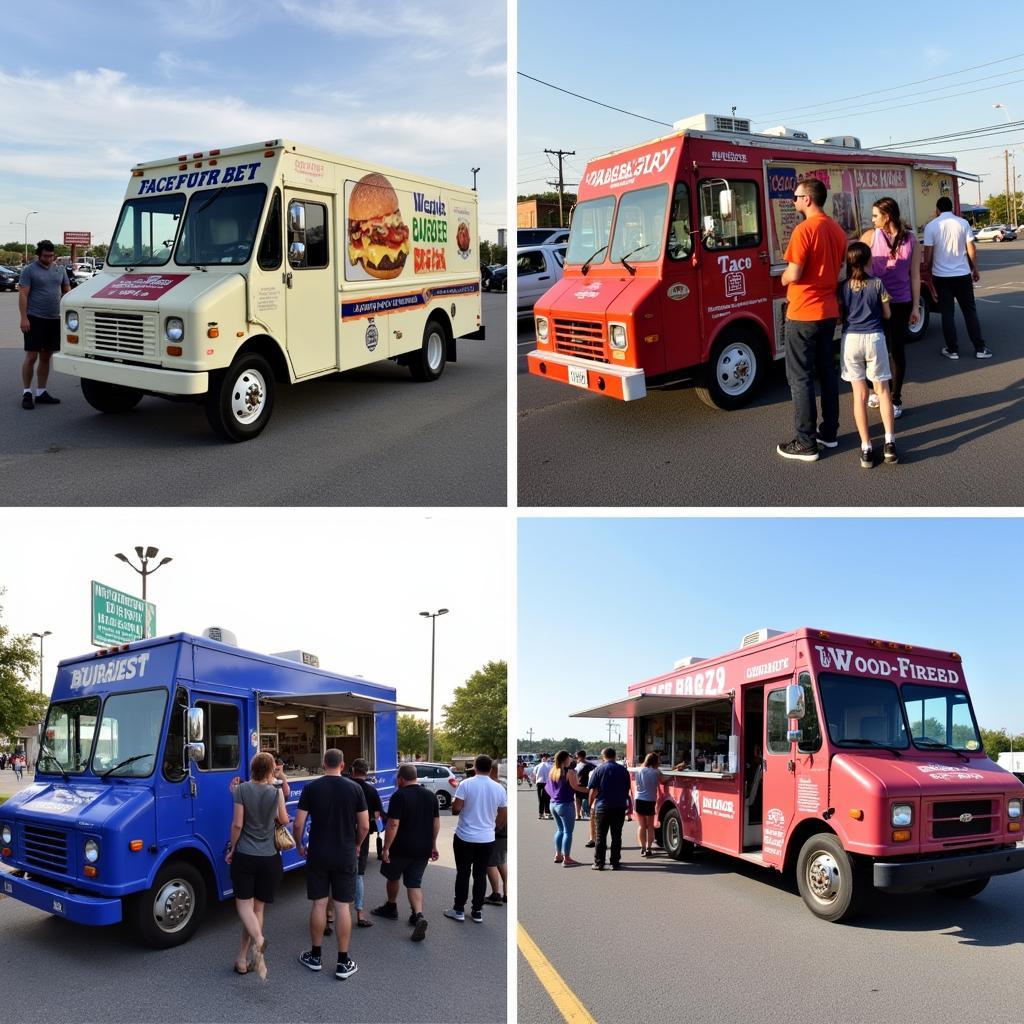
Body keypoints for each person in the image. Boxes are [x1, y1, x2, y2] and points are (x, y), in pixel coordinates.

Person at [776, 178, 848, 462]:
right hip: (828, 312)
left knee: (800, 377)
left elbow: (793, 274)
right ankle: (829, 433)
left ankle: (805, 442)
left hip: (803, 311)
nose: (793, 202)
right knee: (827, 374)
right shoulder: (838, 231)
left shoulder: (804, 230)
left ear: (807, 199)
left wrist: (782, 277)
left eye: (795, 197)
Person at [293, 748, 369, 980]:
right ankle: (343, 961)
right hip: (345, 854)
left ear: (324, 764)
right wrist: (357, 844)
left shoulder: (311, 788)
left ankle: (315, 956)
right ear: (343, 765)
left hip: (318, 853)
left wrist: (299, 845)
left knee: (318, 904)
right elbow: (364, 825)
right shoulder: (355, 788)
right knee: (342, 907)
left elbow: (298, 824)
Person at [225, 751, 289, 979]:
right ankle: (243, 959)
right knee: (257, 910)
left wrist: (232, 849)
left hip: (245, 855)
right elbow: (284, 820)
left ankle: (259, 941)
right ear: (271, 770)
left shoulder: (241, 790)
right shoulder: (276, 792)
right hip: (270, 857)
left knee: (244, 908)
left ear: (252, 768)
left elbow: (237, 825)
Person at [838, 241, 898, 467]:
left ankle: (866, 448)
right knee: (882, 391)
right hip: (875, 337)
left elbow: (840, 315)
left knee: (859, 396)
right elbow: (888, 314)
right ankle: (890, 444)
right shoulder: (878, 284)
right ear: (868, 260)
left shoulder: (842, 287)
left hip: (851, 339)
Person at [860, 196, 920, 417]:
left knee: (896, 350)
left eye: (876, 215)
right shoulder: (869, 236)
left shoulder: (911, 240)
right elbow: (857, 268)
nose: (872, 219)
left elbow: (915, 277)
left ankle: (895, 398)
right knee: (872, 350)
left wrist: (916, 307)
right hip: (873, 302)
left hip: (901, 302)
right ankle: (876, 390)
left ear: (887, 217)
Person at [372, 762, 439, 941]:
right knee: (414, 883)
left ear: (400, 779)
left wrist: (386, 848)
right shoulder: (430, 796)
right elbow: (435, 823)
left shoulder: (399, 796)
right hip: (423, 848)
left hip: (401, 847)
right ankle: (417, 915)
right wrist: (433, 845)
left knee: (393, 877)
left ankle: (391, 907)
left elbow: (393, 824)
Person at [923, 196, 992, 360]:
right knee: (970, 312)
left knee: (948, 313)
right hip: (962, 275)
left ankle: (952, 350)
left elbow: (928, 254)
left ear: (937, 210)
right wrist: (974, 269)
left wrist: (928, 267)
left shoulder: (931, 226)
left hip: (941, 276)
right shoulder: (963, 223)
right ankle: (980, 348)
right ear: (952, 208)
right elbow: (971, 249)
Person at [443, 754, 508, 923]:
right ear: (490, 769)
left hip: (465, 836)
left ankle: (458, 909)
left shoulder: (466, 784)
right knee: (480, 874)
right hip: (487, 838)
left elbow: (456, 809)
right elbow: (503, 813)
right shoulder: (499, 788)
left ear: (475, 767)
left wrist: (456, 804)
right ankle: (477, 910)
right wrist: (495, 827)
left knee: (463, 873)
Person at [17, 240, 69, 409]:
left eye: (51, 255)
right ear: (39, 255)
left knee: (46, 356)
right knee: (32, 356)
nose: (49, 258)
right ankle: (26, 393)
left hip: (54, 319)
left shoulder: (60, 270)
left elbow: (66, 291)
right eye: (46, 255)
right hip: (35, 318)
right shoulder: (29, 270)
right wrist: (24, 317)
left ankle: (41, 392)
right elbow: (23, 295)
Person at [587, 746, 631, 870]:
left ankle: (599, 862)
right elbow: (627, 790)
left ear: (603, 756)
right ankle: (615, 862)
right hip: (619, 807)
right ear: (615, 756)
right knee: (617, 835)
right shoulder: (623, 770)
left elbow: (593, 790)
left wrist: (590, 805)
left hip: (602, 807)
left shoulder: (598, 770)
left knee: (601, 835)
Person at [545, 750, 588, 867]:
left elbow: (546, 788)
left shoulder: (553, 771)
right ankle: (567, 858)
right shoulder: (570, 772)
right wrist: (591, 790)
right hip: (565, 804)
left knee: (560, 830)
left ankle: (558, 854)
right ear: (565, 759)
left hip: (553, 804)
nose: (571, 759)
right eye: (569, 757)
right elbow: (576, 787)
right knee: (568, 832)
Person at [485, 760, 508, 906]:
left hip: (498, 828)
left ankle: (496, 893)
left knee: (490, 862)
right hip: (504, 829)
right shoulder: (504, 784)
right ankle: (506, 893)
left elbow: (502, 810)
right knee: (501, 861)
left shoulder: (495, 787)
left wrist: (496, 827)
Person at [634, 752, 665, 857]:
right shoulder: (656, 772)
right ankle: (648, 848)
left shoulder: (639, 770)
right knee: (650, 825)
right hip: (650, 800)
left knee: (642, 825)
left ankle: (642, 847)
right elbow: (664, 781)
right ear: (655, 761)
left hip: (638, 799)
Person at [574, 750, 595, 821]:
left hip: (584, 785)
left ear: (578, 756)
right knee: (579, 799)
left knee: (580, 800)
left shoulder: (588, 765)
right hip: (584, 785)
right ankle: (578, 814)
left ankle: (579, 814)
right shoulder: (591, 765)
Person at [534, 753, 552, 819]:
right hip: (547, 783)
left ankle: (540, 813)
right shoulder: (550, 765)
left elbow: (534, 774)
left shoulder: (537, 766)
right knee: (547, 798)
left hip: (539, 783)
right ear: (547, 758)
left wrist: (535, 781)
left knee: (540, 798)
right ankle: (547, 813)